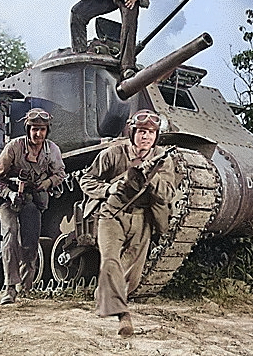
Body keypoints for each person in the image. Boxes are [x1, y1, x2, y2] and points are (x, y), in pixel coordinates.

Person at [78, 109, 176, 337]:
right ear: (132, 133)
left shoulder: (163, 158)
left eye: (151, 133)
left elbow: (168, 192)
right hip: (112, 214)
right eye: (142, 132)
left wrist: (151, 177)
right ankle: (124, 316)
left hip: (142, 217)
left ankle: (107, 296)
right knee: (111, 260)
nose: (146, 137)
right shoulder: (113, 154)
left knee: (133, 274)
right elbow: (86, 179)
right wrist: (107, 189)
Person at [0, 108, 66, 305]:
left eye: (42, 129)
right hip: (9, 198)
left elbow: (60, 173)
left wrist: (47, 183)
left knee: (30, 242)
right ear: (27, 129)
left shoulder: (52, 150)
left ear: (47, 130)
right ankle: (10, 288)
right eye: (34, 129)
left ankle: (26, 286)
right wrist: (10, 193)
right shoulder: (14, 147)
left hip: (32, 198)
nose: (38, 134)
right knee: (10, 235)